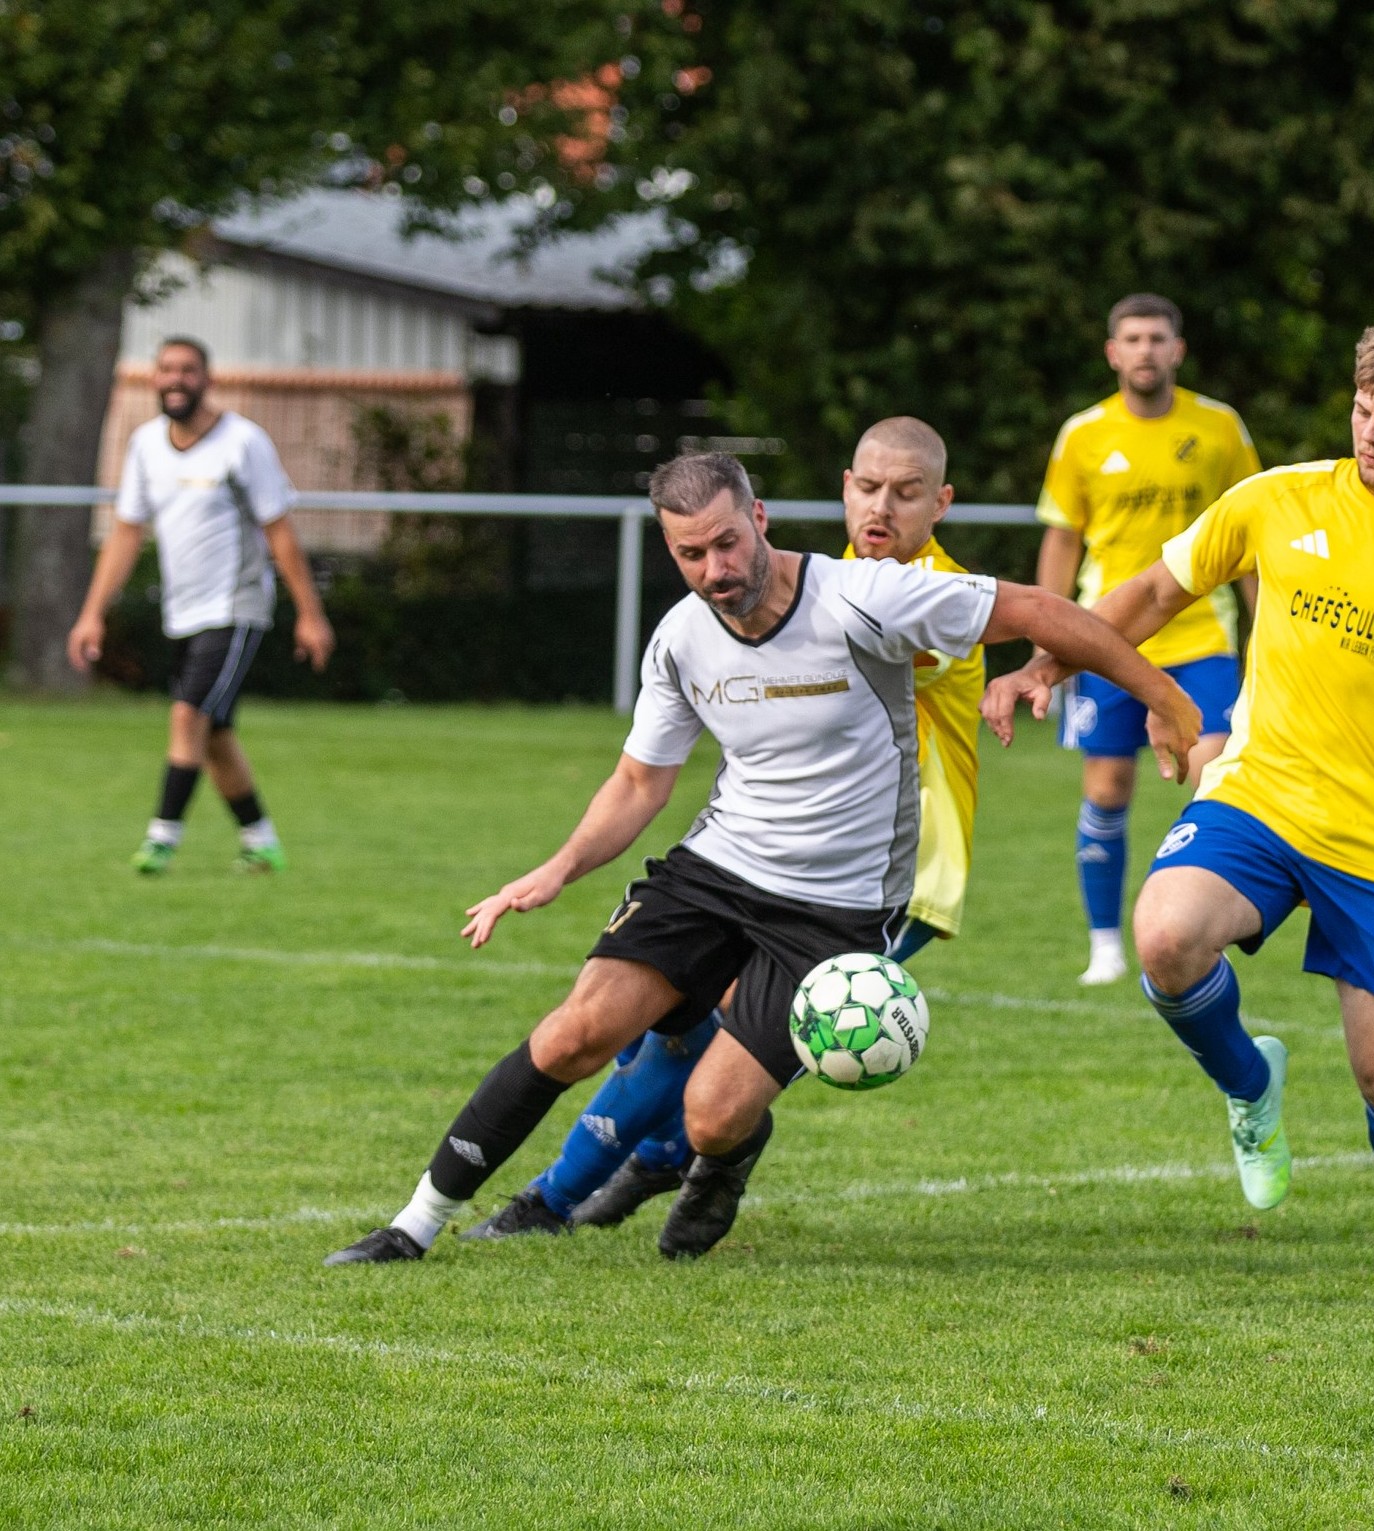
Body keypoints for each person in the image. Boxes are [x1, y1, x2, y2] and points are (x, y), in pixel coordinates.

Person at [327, 450, 1198, 1266]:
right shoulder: (681, 638)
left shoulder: (862, 597)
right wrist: (555, 870)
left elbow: (1040, 610)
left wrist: (1161, 695)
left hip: (839, 904)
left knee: (710, 1114)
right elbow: (639, 782)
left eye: (727, 542)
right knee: (574, 1033)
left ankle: (722, 1156)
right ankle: (413, 1226)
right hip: (717, 870)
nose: (715, 569)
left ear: (760, 518)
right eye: (690, 553)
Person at [986, 307, 1374, 1292]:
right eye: (1364, 411)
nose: (1372, 434)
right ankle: (1251, 1083)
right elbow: (1153, 592)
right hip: (1256, 794)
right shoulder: (1276, 498)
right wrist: (1047, 661)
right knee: (1164, 936)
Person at [465, 417, 988, 1238]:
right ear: (844, 488)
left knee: (702, 1047)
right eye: (867, 487)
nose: (880, 508)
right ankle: (656, 1160)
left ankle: (574, 1191)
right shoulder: (824, 580)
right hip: (779, 860)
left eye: (906, 492)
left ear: (941, 504)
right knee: (666, 1032)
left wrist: (1046, 663)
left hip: (892, 871)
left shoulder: (921, 592)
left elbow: (1023, 620)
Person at [1037, 293, 1262, 985]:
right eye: (1132, 338)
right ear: (1113, 352)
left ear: (1177, 350)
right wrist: (1049, 635)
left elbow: (1251, 538)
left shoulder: (1219, 427)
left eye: (1157, 338)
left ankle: (1189, 921)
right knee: (1108, 787)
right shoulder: (1083, 434)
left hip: (1201, 634)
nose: (1145, 350)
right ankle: (1106, 944)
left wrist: (1267, 632)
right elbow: (1063, 537)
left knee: (1213, 773)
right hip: (1107, 635)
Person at [66, 337, 336, 873]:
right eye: (166, 369)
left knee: (188, 714)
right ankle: (260, 842)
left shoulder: (243, 442)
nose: (176, 379)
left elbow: (279, 532)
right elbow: (126, 533)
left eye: (188, 370)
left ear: (207, 380)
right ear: (154, 378)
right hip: (182, 610)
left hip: (235, 606)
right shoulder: (146, 444)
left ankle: (161, 838)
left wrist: (310, 614)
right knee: (212, 734)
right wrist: (92, 613)